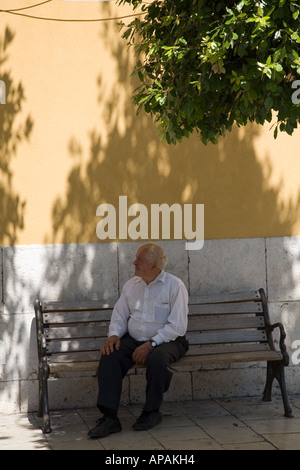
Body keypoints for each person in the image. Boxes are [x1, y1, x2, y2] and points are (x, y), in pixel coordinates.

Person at [88, 242, 189, 438]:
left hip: (169, 340)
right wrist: (114, 335)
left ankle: (151, 412)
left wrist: (151, 344)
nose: (134, 262)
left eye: (140, 259)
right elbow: (120, 314)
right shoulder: (131, 285)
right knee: (110, 355)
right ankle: (109, 418)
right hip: (134, 340)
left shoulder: (175, 286)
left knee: (157, 360)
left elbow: (177, 326)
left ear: (155, 265)